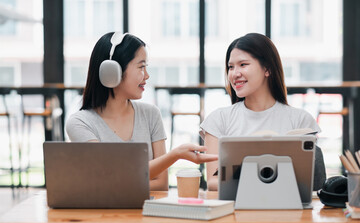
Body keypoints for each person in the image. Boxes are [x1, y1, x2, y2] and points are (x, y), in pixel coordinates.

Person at [66, 32, 217, 191]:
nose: (147, 75)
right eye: (141, 66)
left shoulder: (151, 114)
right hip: (105, 214)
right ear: (112, 71)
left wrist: (116, 182)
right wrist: (175, 155)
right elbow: (110, 176)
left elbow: (160, 184)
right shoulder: (80, 123)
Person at [200, 33, 326, 191]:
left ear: (267, 69)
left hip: (287, 211)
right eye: (230, 67)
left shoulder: (300, 120)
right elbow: (212, 182)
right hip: (235, 212)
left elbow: (308, 182)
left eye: (243, 64)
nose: (234, 73)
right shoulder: (219, 119)